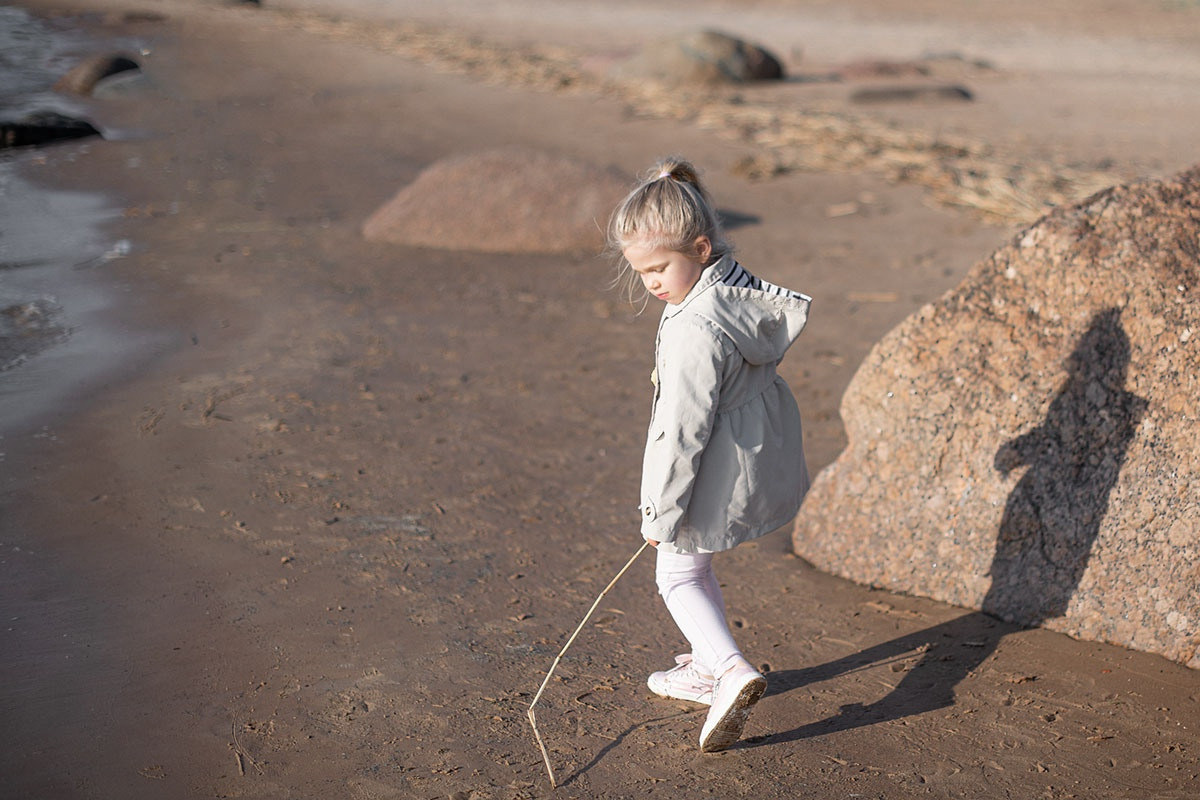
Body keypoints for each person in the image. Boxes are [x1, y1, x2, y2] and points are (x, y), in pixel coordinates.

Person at [607, 157, 812, 752]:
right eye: (640, 271)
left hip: (712, 467)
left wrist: (660, 512)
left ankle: (729, 671)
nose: (651, 283)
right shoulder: (731, 287)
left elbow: (680, 429)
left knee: (673, 573)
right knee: (695, 566)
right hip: (751, 453)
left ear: (698, 247)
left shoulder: (694, 328)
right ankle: (704, 663)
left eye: (659, 267)